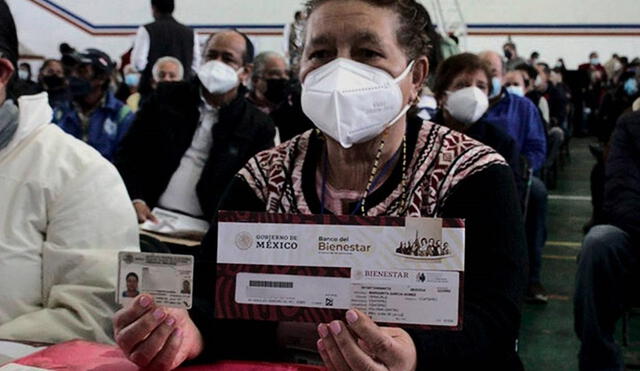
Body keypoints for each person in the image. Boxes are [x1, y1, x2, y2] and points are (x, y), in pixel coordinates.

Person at [113, 1, 527, 369]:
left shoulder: (471, 175)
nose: (340, 70)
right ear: (301, 70)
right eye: (321, 54)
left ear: (416, 75)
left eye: (368, 53)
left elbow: (495, 316)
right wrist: (188, 331)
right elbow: (211, 293)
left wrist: (415, 352)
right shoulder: (261, 178)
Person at [0, 0, 139, 343]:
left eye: (85, 73)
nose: (76, 79)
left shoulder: (83, 175)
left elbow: (92, 319)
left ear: (2, 73)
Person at [116, 30, 275, 223]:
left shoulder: (257, 125)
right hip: (150, 219)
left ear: (245, 72)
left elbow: (253, 191)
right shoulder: (165, 98)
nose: (216, 63)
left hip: (208, 231)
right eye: (211, 55)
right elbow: (129, 153)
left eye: (227, 59)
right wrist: (136, 199)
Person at [480, 50, 549, 303]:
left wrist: (521, 169)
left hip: (514, 175)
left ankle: (532, 278)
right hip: (475, 177)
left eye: (493, 72)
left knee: (538, 193)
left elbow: (537, 147)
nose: (488, 78)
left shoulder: (523, 107)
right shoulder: (470, 108)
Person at [574, 110, 640, 371]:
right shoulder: (631, 126)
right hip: (635, 234)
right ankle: (599, 360)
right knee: (598, 243)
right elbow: (622, 192)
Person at [431, 53, 524, 198]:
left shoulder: (501, 143)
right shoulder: (420, 138)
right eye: (462, 85)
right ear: (441, 95)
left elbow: (511, 200)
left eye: (481, 86)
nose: (474, 93)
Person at [51, 48, 135, 162]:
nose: (74, 76)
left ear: (101, 78)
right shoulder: (59, 113)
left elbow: (127, 162)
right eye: (71, 71)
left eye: (82, 71)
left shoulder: (121, 116)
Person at [132, 0, 200, 95]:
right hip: (182, 92)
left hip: (152, 93)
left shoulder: (146, 30)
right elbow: (195, 66)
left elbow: (138, 64)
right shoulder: (191, 33)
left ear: (153, 8)